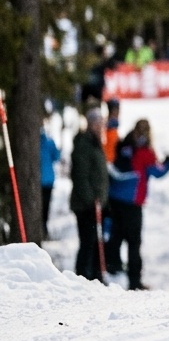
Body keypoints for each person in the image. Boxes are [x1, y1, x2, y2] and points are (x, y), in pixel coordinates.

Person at [106, 118, 169, 290]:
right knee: (134, 242)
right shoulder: (145, 152)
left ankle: (110, 269)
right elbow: (157, 171)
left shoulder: (126, 146)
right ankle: (134, 281)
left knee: (115, 236)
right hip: (133, 203)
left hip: (115, 199)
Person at [70, 108, 109, 281]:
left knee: (94, 241)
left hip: (96, 203)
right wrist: (91, 199)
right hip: (86, 204)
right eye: (99, 123)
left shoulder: (95, 142)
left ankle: (95, 276)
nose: (101, 126)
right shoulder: (85, 144)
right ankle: (83, 276)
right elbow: (81, 175)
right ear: (92, 124)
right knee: (87, 241)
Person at [40, 125, 61, 240]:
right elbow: (56, 157)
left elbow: (56, 157)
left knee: (41, 206)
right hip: (47, 180)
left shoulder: (42, 143)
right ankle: (43, 228)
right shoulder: (49, 141)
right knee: (45, 207)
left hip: (43, 181)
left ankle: (42, 228)